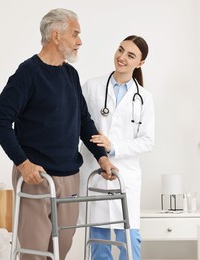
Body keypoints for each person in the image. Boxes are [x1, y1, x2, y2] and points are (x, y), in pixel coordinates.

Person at [0, 8, 117, 260]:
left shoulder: (70, 74)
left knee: (60, 250)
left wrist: (102, 157)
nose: (80, 41)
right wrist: (23, 164)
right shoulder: (28, 73)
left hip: (69, 176)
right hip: (37, 178)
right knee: (34, 252)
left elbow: (83, 121)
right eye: (75, 34)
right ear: (56, 36)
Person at [79, 35, 155, 260]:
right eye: (120, 50)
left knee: (129, 244)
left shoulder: (144, 98)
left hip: (125, 176)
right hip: (96, 172)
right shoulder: (92, 86)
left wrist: (113, 147)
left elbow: (148, 140)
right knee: (99, 242)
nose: (121, 57)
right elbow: (79, 124)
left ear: (140, 63)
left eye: (130, 55)